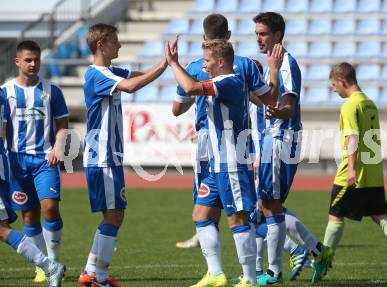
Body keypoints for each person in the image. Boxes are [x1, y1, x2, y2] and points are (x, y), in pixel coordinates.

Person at [171, 14, 280, 287]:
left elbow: (190, 87)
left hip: (231, 161)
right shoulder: (227, 77)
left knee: (237, 217)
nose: (203, 65)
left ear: (220, 62)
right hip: (217, 162)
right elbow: (267, 97)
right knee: (201, 214)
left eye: (207, 61)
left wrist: (172, 63)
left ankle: (250, 279)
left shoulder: (228, 81)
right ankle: (216, 274)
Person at [78, 23, 168, 287]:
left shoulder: (109, 72)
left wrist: (164, 66)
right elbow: (130, 86)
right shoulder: (97, 75)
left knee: (114, 214)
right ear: (101, 44)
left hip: (109, 156)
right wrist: (163, 67)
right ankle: (99, 278)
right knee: (114, 215)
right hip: (102, 157)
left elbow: (135, 76)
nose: (119, 44)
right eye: (114, 40)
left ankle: (90, 272)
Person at [252, 12, 334, 284]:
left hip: (280, 140)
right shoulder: (271, 65)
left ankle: (275, 272)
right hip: (270, 140)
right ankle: (315, 251)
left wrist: (274, 111)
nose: (258, 39)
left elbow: (287, 108)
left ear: (277, 35)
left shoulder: (285, 64)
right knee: (265, 205)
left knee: (269, 205)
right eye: (257, 33)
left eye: (263, 33)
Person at [323, 62, 387, 270]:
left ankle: (324, 258)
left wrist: (352, 169)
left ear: (342, 81)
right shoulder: (369, 102)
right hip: (373, 172)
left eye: (334, 84)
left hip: (353, 172)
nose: (333, 88)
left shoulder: (349, 105)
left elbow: (352, 137)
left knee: (335, 214)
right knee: (380, 215)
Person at [1, 40, 68, 283]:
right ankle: (44, 266)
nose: (33, 64)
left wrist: (58, 147)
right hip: (16, 162)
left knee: (50, 207)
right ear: (17, 62)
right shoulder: (5, 92)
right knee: (29, 215)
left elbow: (62, 126)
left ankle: (54, 259)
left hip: (44, 160)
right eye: (28, 60)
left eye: (36, 59)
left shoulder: (52, 90)